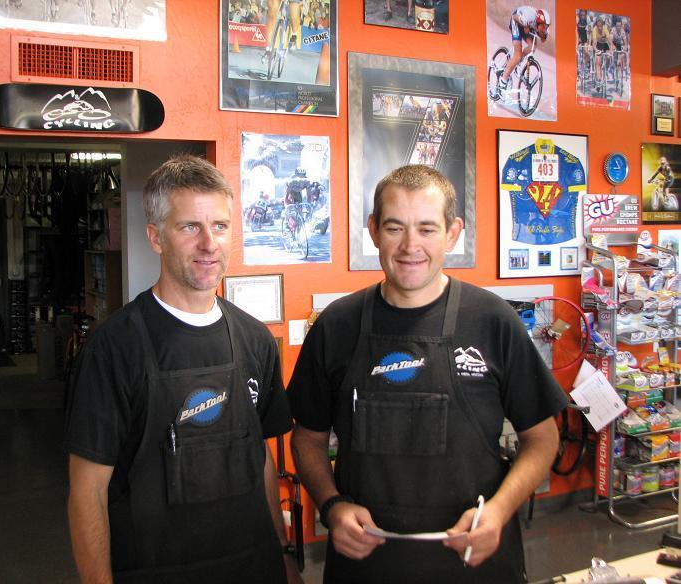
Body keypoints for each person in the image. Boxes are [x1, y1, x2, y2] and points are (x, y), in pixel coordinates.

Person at [288, 164, 566, 583]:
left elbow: (543, 438)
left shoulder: (493, 320)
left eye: (427, 229)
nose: (410, 246)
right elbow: (306, 441)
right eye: (395, 228)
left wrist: (500, 510)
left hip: (474, 559)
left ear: (452, 233)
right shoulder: (336, 326)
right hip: (366, 565)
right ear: (373, 230)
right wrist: (331, 506)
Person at [65, 155, 303, 584]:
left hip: (251, 566)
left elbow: (261, 459)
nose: (209, 243)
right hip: (154, 570)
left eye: (221, 226)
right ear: (156, 238)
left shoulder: (255, 340)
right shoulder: (114, 348)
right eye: (190, 227)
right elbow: (87, 491)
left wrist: (283, 555)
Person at [498, 7, 551, 98]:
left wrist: (543, 35)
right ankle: (502, 82)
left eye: (546, 27)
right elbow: (514, 17)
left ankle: (516, 63)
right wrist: (525, 25)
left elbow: (543, 38)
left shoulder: (542, 25)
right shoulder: (528, 17)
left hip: (527, 25)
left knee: (532, 47)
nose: (544, 29)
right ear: (537, 23)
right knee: (517, 55)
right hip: (517, 20)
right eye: (542, 27)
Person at [590, 16, 613, 92]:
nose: (599, 28)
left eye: (601, 26)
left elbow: (609, 40)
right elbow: (594, 44)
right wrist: (596, 50)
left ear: (603, 25)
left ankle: (605, 70)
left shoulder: (605, 28)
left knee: (609, 57)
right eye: (598, 26)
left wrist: (611, 49)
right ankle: (599, 80)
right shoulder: (594, 30)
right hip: (598, 45)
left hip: (605, 44)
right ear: (596, 25)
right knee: (598, 62)